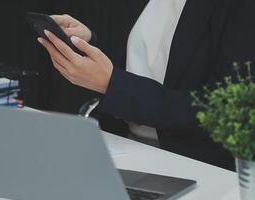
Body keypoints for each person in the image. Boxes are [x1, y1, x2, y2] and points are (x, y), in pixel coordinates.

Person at [37, 0, 255, 171]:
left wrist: (113, 84)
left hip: (193, 166)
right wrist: (87, 45)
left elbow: (224, 109)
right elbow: (140, 70)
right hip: (123, 150)